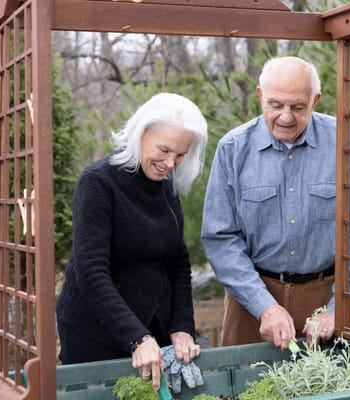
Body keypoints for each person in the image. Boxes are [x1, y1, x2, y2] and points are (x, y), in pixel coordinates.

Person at [201, 56, 350, 351]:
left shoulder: (345, 142)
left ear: (315, 100)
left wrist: (339, 306)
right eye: (276, 105)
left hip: (327, 297)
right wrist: (263, 305)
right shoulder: (233, 148)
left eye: (297, 107)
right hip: (251, 299)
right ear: (260, 96)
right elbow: (221, 238)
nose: (286, 116)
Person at [56, 92, 208, 390]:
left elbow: (178, 263)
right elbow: (91, 270)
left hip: (153, 330)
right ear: (141, 132)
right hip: (95, 331)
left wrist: (181, 327)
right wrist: (136, 337)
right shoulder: (98, 182)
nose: (170, 163)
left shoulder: (167, 189)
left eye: (180, 155)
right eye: (164, 150)